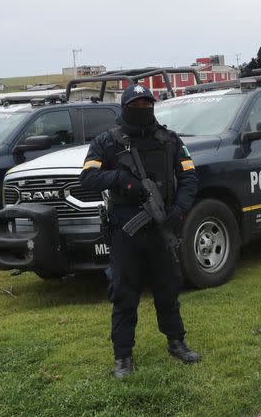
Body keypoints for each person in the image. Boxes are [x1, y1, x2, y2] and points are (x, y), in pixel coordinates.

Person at [80, 83, 201, 379]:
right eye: (137, 106)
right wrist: (121, 180)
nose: (143, 110)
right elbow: (88, 177)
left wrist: (180, 210)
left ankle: (176, 341)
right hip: (126, 230)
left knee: (168, 287)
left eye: (148, 104)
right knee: (123, 292)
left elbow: (189, 177)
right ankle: (123, 356)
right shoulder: (107, 142)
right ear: (125, 108)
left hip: (163, 226)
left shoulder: (170, 140)